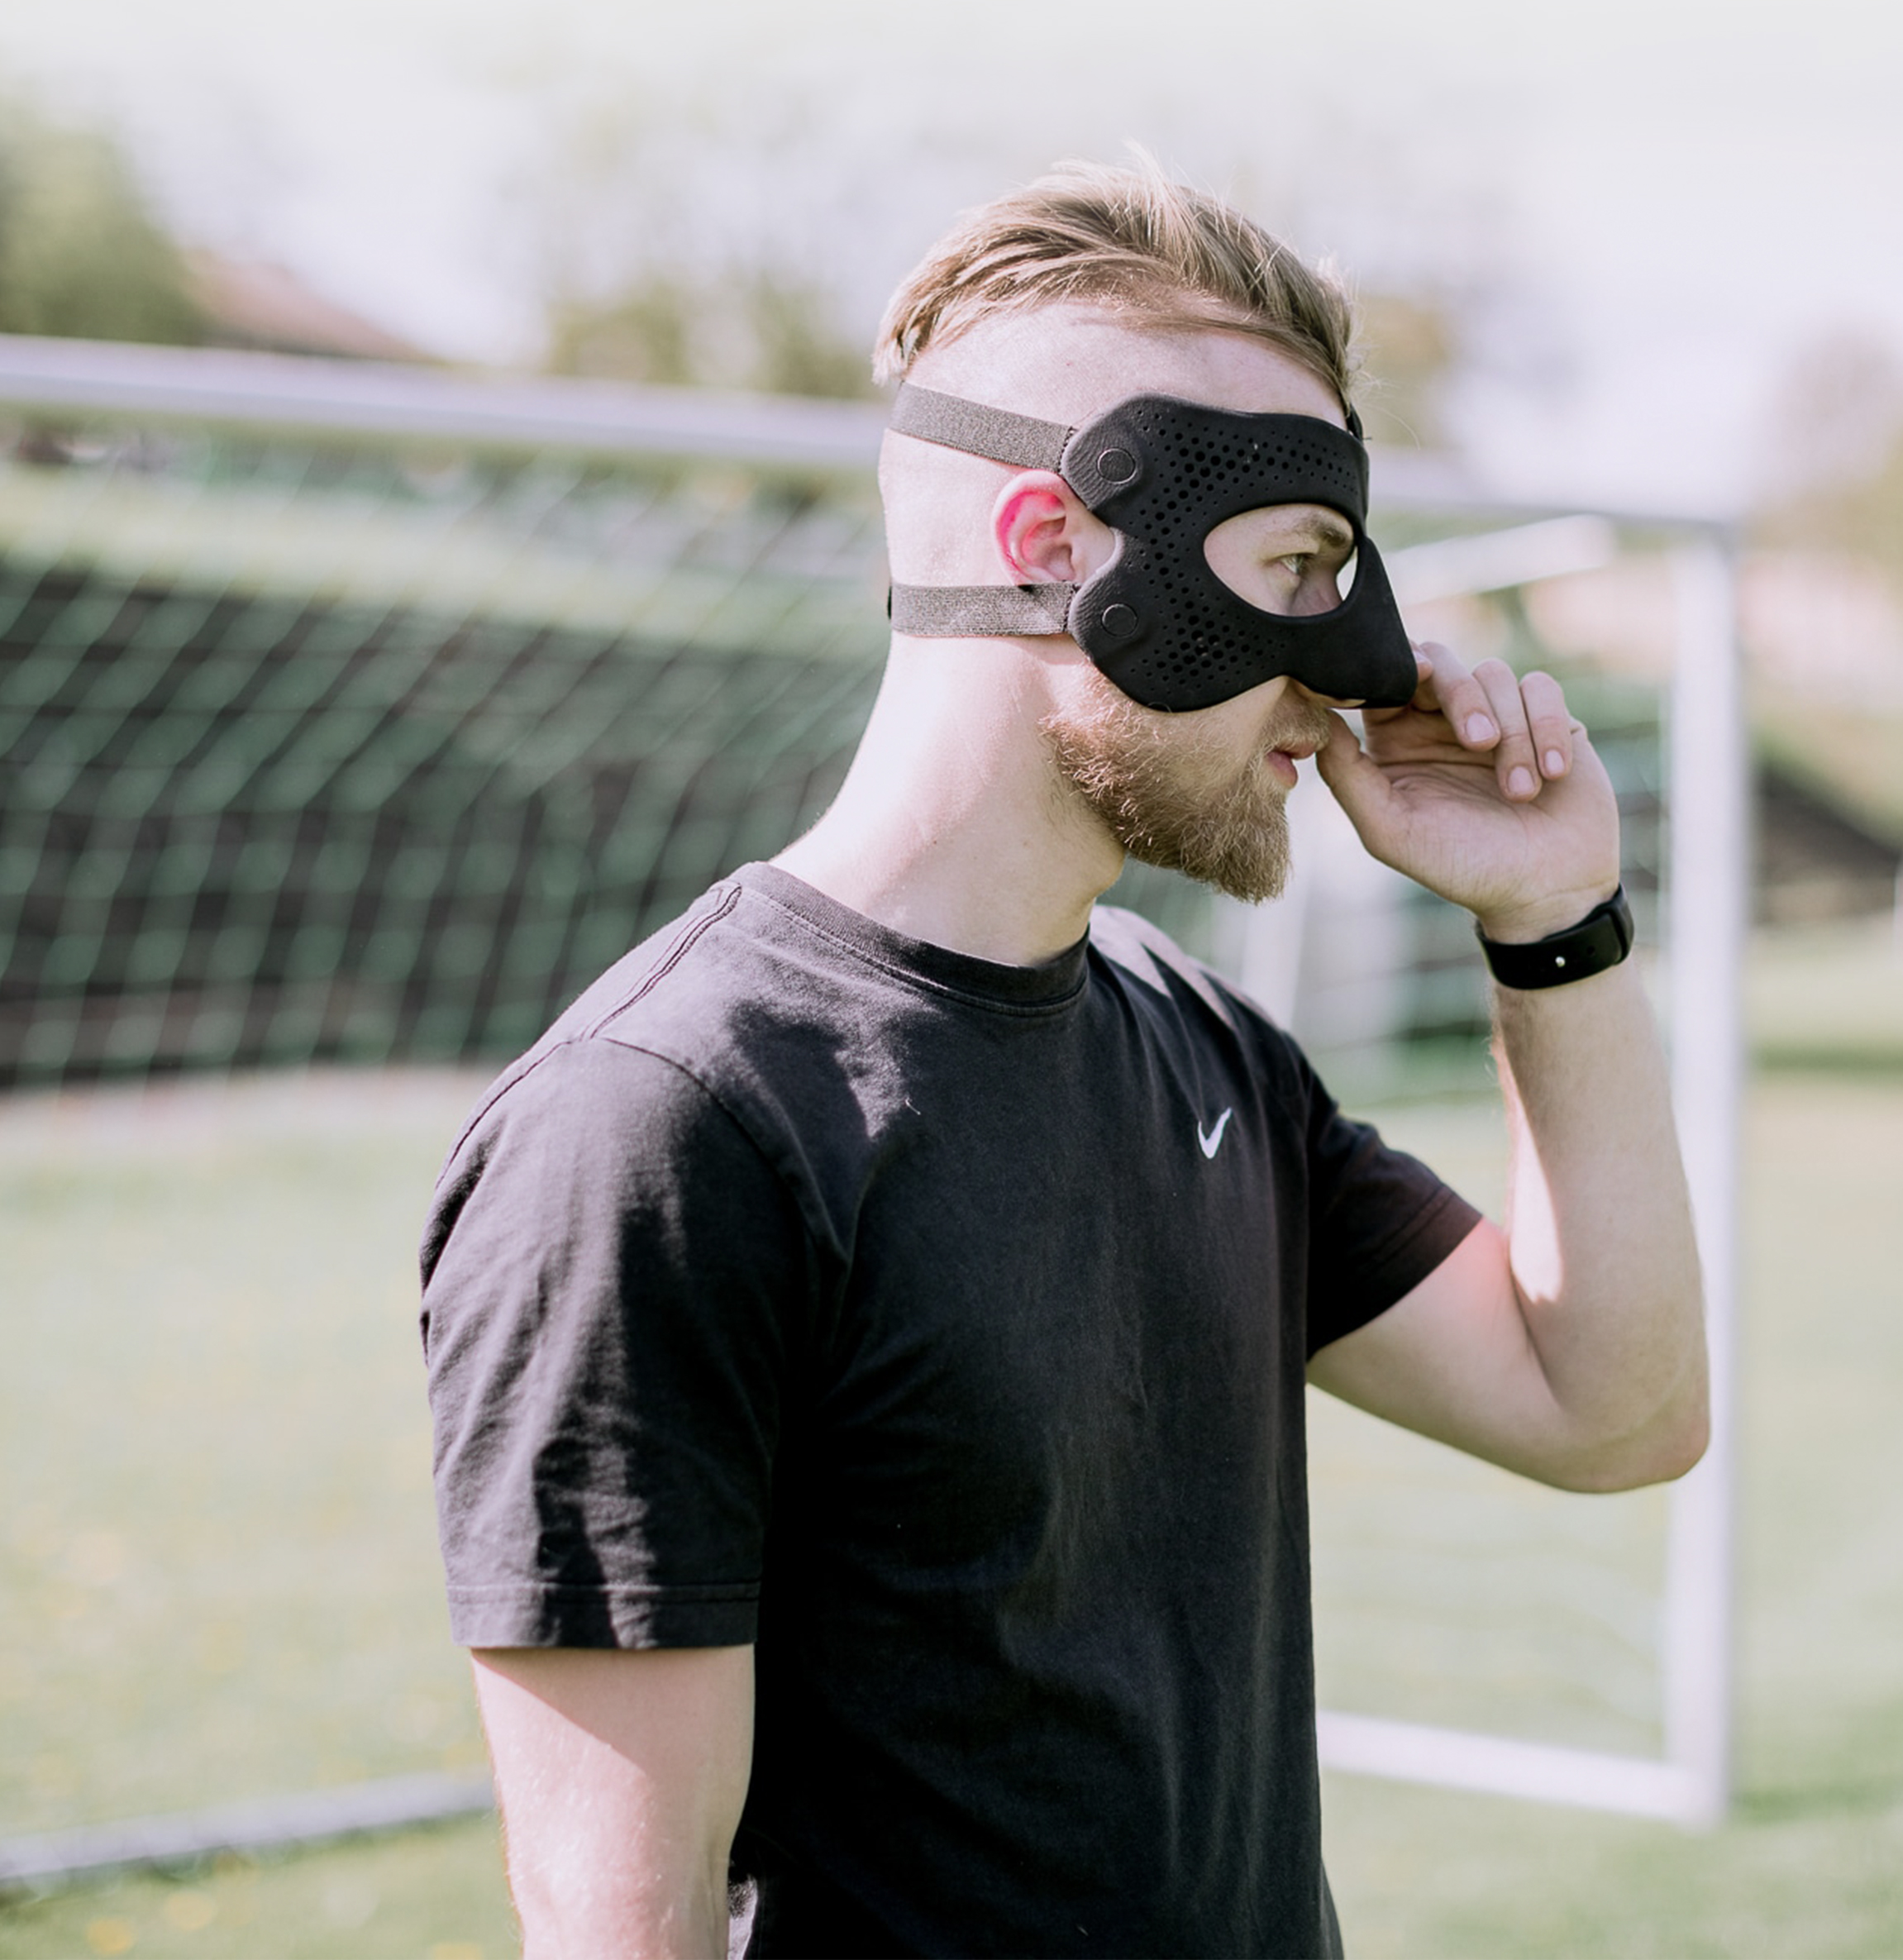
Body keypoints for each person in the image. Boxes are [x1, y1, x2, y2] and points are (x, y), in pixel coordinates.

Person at [421, 166, 1708, 1959]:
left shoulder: (1195, 1048)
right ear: (1050, 545)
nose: (1355, 669)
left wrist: (1553, 920)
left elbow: (1616, 1411)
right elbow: (614, 1928)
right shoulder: (662, 1127)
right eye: (1295, 570)